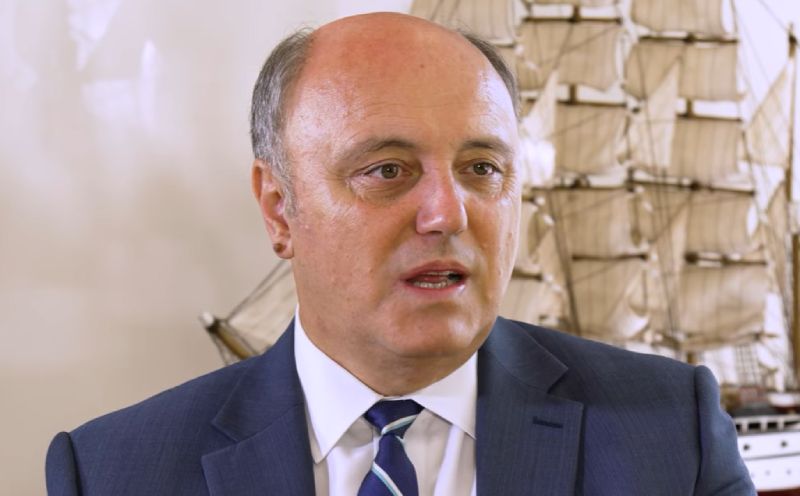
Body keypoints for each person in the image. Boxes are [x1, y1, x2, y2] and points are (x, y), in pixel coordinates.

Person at [45, 12, 755, 496]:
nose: (448, 213)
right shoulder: (110, 473)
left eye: (482, 168)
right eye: (387, 170)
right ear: (280, 209)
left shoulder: (673, 435)